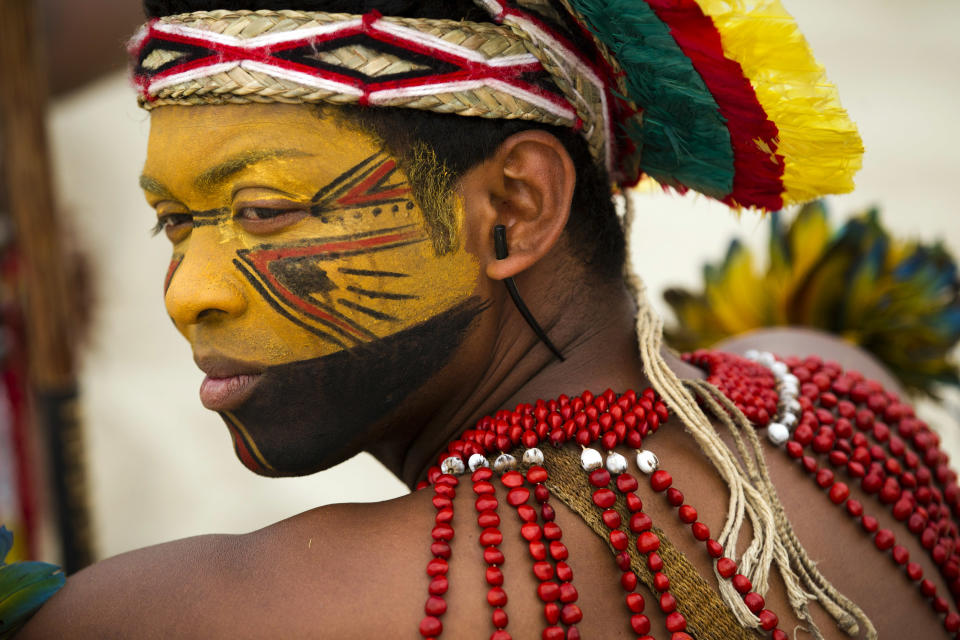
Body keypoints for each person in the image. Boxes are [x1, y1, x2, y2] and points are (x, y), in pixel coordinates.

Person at [11, 0, 960, 638]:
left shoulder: (232, 612)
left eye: (264, 211)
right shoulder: (835, 387)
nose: (187, 293)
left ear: (515, 205)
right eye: (173, 222)